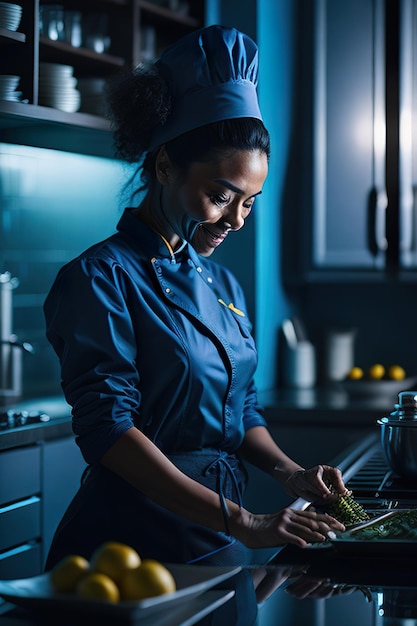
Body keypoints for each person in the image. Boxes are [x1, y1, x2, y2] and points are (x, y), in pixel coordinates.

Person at [43, 25, 346, 575]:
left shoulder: (222, 285)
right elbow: (109, 429)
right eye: (220, 196)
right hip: (128, 541)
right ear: (164, 168)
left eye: (249, 203)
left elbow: (241, 407)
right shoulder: (97, 278)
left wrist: (288, 473)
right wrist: (244, 521)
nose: (235, 220)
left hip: (212, 532)